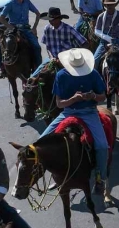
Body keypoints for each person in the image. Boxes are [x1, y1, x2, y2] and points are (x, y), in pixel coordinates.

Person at [39, 48, 109, 194]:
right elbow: (59, 104)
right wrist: (73, 99)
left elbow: (102, 97)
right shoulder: (61, 75)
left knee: (102, 146)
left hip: (89, 113)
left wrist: (93, 96)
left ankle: (100, 178)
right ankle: (55, 174)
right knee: (41, 142)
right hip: (67, 112)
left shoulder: (93, 74)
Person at [0, 0, 41, 79]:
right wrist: (10, 27)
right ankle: (3, 69)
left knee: (36, 47)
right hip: (13, 28)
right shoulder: (10, 4)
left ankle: (38, 69)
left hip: (25, 29)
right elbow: (1, 18)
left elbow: (38, 13)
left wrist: (34, 28)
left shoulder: (27, 2)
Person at [34, 7, 87, 76]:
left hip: (67, 60)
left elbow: (85, 43)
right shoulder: (47, 29)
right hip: (52, 59)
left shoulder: (69, 29)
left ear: (59, 19)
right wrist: (51, 58)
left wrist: (75, 56)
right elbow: (48, 47)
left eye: (52, 20)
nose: (50, 21)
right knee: (34, 76)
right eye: (49, 20)